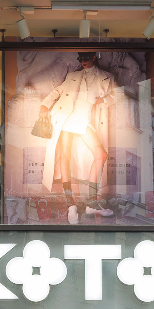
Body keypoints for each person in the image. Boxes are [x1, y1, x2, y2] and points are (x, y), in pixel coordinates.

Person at [39, 52, 115, 224]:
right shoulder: (72, 76)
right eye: (81, 59)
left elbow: (117, 95)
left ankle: (91, 203)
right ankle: (71, 204)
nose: (83, 62)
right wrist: (44, 106)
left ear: (94, 57)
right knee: (65, 157)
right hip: (67, 118)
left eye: (86, 58)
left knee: (101, 155)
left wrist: (103, 101)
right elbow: (56, 92)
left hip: (84, 120)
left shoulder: (106, 77)